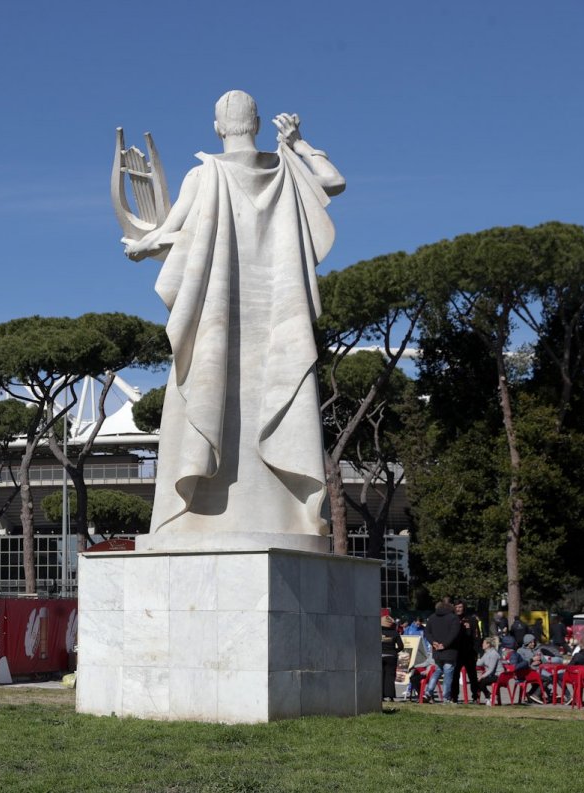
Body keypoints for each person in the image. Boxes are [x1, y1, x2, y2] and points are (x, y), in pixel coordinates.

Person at [121, 90, 345, 550]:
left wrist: (143, 247)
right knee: (281, 404)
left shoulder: (204, 175)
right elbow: (334, 182)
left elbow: (173, 233)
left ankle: (194, 513)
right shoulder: (287, 168)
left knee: (202, 405)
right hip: (278, 328)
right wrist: (301, 144)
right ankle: (288, 514)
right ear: (258, 123)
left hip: (217, 328)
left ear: (218, 127)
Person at [424, 602, 462, 703]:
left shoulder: (432, 617)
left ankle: (428, 692)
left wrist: (433, 642)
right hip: (450, 650)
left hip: (436, 650)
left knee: (437, 671)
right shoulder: (453, 618)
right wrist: (444, 644)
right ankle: (446, 697)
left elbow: (427, 632)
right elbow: (454, 634)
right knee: (448, 674)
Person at [474, 637, 502, 703]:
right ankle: (488, 695)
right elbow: (479, 663)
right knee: (477, 682)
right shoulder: (486, 653)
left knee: (481, 681)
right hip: (491, 675)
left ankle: (488, 696)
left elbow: (491, 669)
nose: (482, 644)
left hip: (498, 676)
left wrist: (482, 676)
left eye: (484, 643)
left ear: (488, 644)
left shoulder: (494, 654)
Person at [381, 615, 402, 702]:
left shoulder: (377, 632)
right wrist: (394, 651)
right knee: (390, 676)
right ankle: (390, 696)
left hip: (380, 656)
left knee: (381, 676)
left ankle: (380, 695)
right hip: (392, 656)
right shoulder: (395, 633)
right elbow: (401, 646)